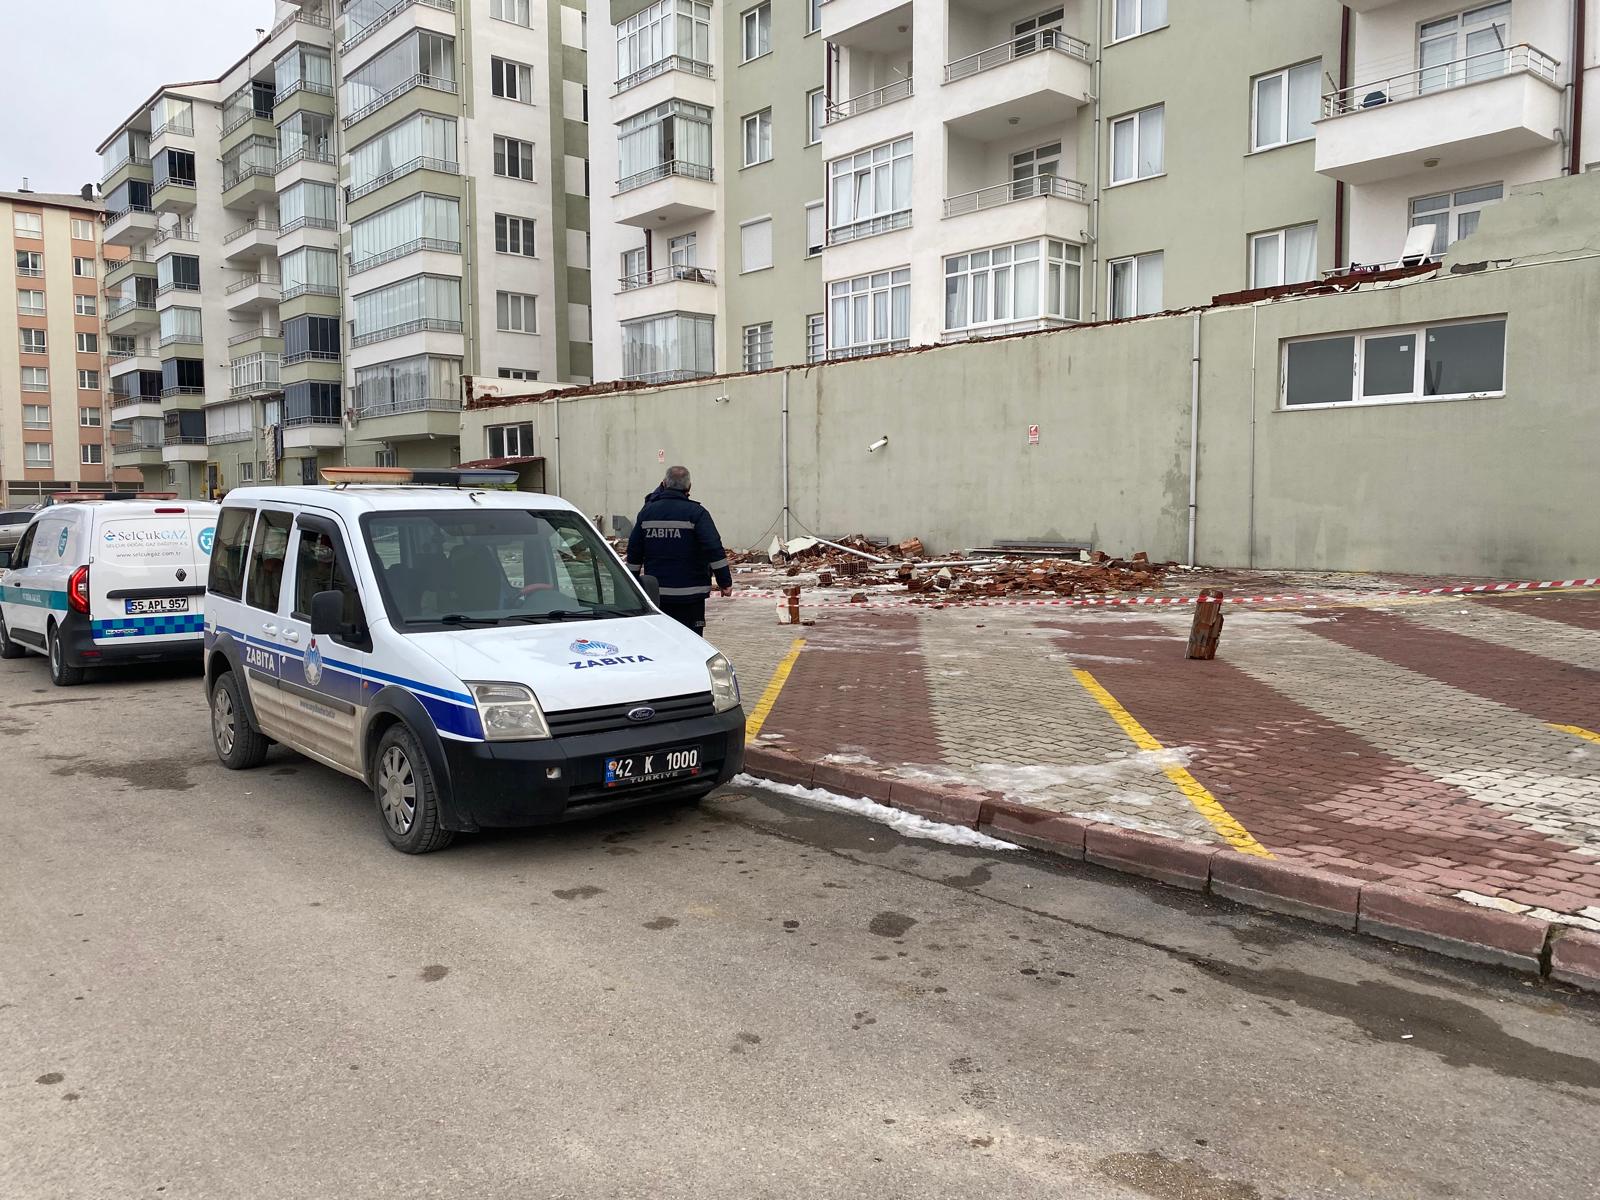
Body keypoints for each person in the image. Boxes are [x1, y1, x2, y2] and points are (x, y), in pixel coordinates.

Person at [626, 466, 732, 635]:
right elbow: (713, 548)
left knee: (662, 639)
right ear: (689, 487)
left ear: (664, 484)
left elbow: (634, 552)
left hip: (657, 595)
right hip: (691, 596)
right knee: (691, 641)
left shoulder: (647, 513)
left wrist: (631, 585)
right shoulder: (697, 513)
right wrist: (724, 582)